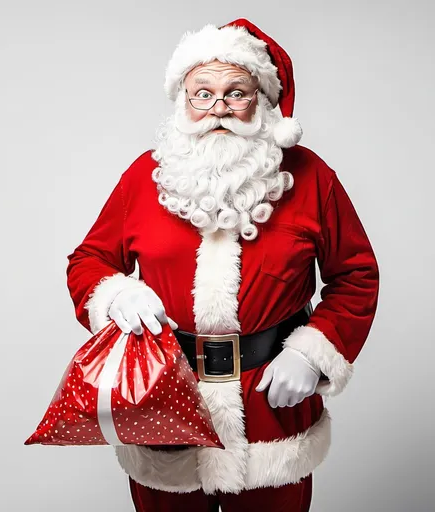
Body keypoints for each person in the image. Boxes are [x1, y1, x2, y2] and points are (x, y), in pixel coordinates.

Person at [66, 18, 380, 512]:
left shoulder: (311, 177)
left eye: (236, 93)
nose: (218, 109)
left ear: (263, 101)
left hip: (271, 405)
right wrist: (116, 294)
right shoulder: (144, 177)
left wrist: (312, 353)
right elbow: (90, 261)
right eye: (202, 94)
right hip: (167, 399)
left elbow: (357, 275)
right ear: (182, 101)